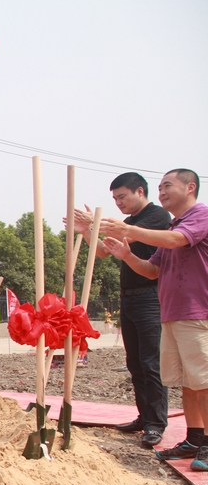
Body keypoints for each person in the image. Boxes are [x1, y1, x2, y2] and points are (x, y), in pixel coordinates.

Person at [100, 169, 208, 470]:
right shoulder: (174, 225)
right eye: (159, 187)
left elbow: (175, 241)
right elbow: (152, 270)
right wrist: (126, 255)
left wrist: (128, 230)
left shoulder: (200, 216)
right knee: (188, 383)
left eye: (167, 186)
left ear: (190, 187)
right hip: (172, 313)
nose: (161, 192)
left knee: (203, 382)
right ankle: (194, 438)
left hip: (197, 312)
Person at [69, 172, 171, 448]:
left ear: (140, 191)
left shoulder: (156, 216)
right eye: (115, 199)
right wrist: (87, 231)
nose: (119, 203)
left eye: (122, 197)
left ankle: (156, 423)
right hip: (129, 298)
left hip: (151, 296)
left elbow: (123, 234)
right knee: (134, 362)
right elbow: (103, 251)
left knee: (151, 362)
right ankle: (144, 416)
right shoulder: (128, 222)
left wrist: (94, 223)